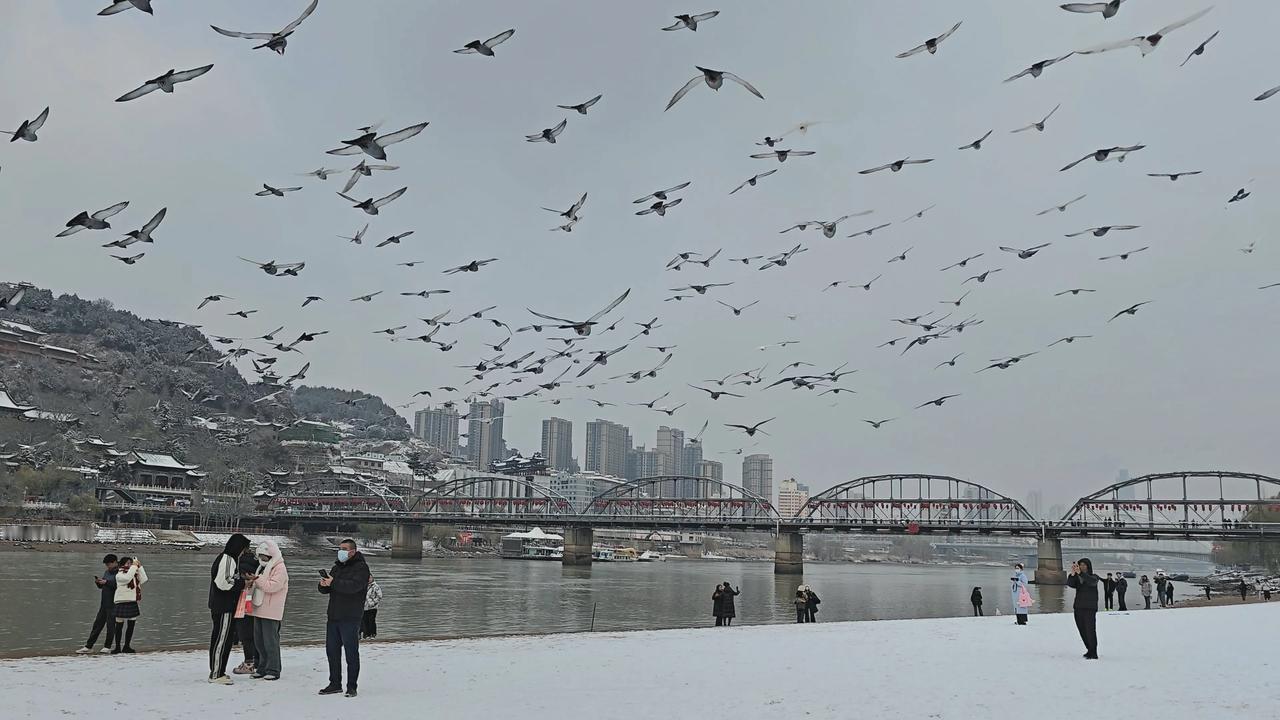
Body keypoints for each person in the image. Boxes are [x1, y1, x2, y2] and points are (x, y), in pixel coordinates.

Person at [319, 538, 370, 698]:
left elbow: (353, 587)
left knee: (351, 653)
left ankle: (351, 686)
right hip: (333, 616)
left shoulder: (361, 568)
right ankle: (335, 683)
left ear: (352, 551)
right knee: (332, 652)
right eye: (339, 548)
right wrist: (323, 584)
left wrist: (334, 583)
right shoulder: (336, 567)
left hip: (350, 616)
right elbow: (328, 589)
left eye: (344, 548)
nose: (340, 551)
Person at [208, 533, 251, 685]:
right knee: (221, 640)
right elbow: (223, 583)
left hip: (222, 605)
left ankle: (218, 671)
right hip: (224, 606)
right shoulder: (227, 559)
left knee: (222, 639)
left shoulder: (227, 558)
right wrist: (243, 584)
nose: (243, 553)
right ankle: (216, 674)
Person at [248, 539, 288, 681]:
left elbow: (272, 586)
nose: (262, 559)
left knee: (270, 641)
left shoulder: (280, 568)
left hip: (272, 611)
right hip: (258, 608)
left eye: (264, 557)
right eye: (260, 557)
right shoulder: (262, 567)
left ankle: (273, 669)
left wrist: (256, 580)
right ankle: (262, 667)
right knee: (259, 641)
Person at [77, 554, 120, 654]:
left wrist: (106, 582)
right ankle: (88, 646)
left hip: (114, 604)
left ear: (114, 562)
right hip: (104, 604)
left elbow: (118, 584)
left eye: (109, 564)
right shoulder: (107, 572)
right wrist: (99, 582)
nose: (107, 566)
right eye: (106, 565)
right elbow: (103, 586)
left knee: (110, 626)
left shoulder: (121, 572)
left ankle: (107, 646)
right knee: (97, 625)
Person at [232, 546, 260, 675]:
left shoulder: (241, 563)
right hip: (254, 602)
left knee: (245, 635)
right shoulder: (257, 562)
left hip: (244, 601)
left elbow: (243, 580)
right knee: (253, 634)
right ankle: (257, 661)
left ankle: (249, 663)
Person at [111, 556, 146, 654]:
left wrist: (139, 567)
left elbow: (144, 579)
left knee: (131, 625)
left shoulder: (134, 574)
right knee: (119, 626)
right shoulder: (119, 574)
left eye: (131, 563)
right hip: (121, 601)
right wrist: (134, 567)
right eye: (128, 563)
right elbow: (127, 578)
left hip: (132, 600)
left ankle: (127, 646)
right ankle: (117, 647)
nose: (130, 565)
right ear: (122, 565)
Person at [1066, 557, 1100, 659]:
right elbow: (1070, 584)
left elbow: (1091, 582)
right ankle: (1089, 649)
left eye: (1084, 565)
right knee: (1082, 630)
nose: (1082, 567)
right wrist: (1072, 574)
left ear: (1088, 566)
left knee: (1090, 630)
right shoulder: (1077, 577)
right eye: (1080, 565)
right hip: (1078, 607)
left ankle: (1093, 653)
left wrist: (1080, 573)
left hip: (1090, 608)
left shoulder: (1094, 577)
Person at [362, 574, 383, 640]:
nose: (369, 579)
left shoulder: (376, 586)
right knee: (365, 621)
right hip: (364, 607)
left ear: (372, 578)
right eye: (367, 578)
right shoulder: (363, 586)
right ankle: (366, 635)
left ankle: (373, 634)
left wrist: (373, 603)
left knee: (371, 620)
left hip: (373, 607)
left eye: (370, 578)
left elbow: (380, 596)